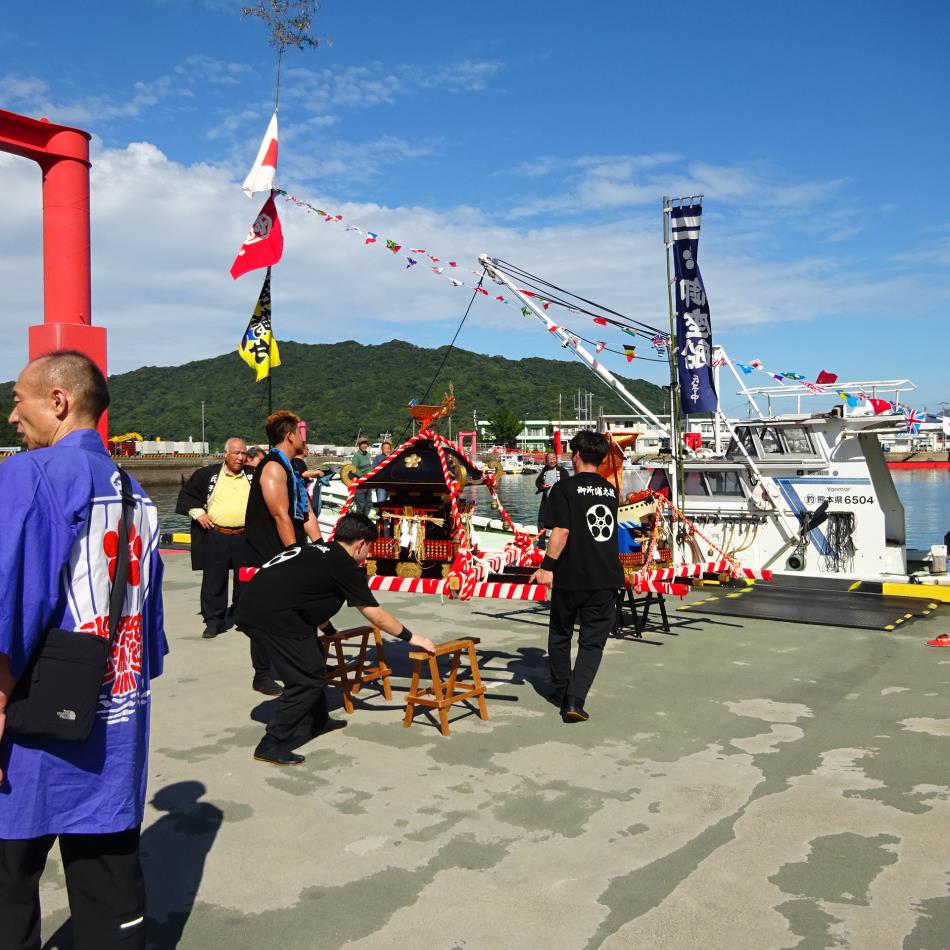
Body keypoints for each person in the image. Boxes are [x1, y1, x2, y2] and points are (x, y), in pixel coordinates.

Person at [0, 350, 167, 950]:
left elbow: (7, 603)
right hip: (114, 718)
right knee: (107, 880)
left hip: (31, 725)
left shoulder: (31, 475)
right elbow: (149, 633)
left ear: (58, 401)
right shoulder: (137, 493)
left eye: (18, 400)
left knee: (10, 879)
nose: (13, 417)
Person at [235, 513, 435, 766]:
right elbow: (376, 615)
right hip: (271, 617)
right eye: (370, 547)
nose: (367, 554)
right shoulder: (344, 565)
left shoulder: (321, 549)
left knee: (314, 661)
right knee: (305, 681)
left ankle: (318, 720)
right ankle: (271, 744)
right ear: (361, 543)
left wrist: (329, 632)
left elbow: (307, 595)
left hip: (263, 607)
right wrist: (412, 637)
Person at [530, 430, 622, 724]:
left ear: (576, 455)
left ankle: (560, 689)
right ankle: (575, 699)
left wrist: (546, 567)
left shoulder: (565, 488)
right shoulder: (611, 491)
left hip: (571, 576)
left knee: (560, 634)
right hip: (605, 576)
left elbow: (562, 531)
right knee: (592, 641)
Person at [244, 411, 323, 696]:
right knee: (267, 614)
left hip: (289, 548)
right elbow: (281, 517)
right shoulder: (274, 467)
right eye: (300, 433)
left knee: (300, 608)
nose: (303, 437)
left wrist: (320, 544)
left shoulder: (290, 468)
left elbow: (304, 511)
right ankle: (262, 674)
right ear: (290, 436)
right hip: (267, 553)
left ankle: (307, 664)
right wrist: (294, 555)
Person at [175, 438, 254, 639]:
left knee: (246, 580)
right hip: (217, 535)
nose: (240, 457)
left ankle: (243, 617)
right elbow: (187, 495)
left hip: (245, 536)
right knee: (214, 580)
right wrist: (198, 513)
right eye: (236, 453)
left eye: (244, 453)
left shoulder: (253, 475)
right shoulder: (208, 474)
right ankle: (214, 621)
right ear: (225, 454)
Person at [534, 451, 570, 548]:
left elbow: (568, 484)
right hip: (546, 500)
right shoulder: (544, 470)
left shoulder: (562, 470)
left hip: (559, 502)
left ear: (556, 459)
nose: (552, 461)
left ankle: (560, 545)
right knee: (541, 521)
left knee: (559, 523)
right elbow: (537, 482)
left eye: (553, 458)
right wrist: (542, 486)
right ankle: (541, 544)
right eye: (549, 459)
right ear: (546, 461)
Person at [351, 437, 375, 517]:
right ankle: (359, 522)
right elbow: (354, 469)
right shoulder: (356, 456)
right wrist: (363, 476)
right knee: (361, 505)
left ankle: (365, 520)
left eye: (365, 444)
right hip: (361, 484)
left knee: (368, 504)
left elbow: (369, 468)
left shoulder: (368, 455)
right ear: (359, 445)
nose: (364, 446)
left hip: (368, 483)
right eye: (362, 444)